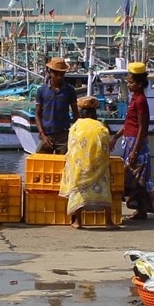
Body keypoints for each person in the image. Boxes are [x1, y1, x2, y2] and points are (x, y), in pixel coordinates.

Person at [58, 96, 118, 229]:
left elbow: (72, 148)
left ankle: (78, 221)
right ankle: (108, 221)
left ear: (81, 112)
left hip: (80, 169)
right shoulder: (101, 126)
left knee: (78, 189)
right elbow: (105, 146)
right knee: (105, 185)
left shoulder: (76, 126)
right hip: (99, 167)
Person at [111, 62, 154, 220]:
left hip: (136, 144)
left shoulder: (140, 101)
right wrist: (116, 137)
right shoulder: (134, 99)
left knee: (137, 178)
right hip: (129, 142)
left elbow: (142, 128)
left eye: (130, 82)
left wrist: (135, 151)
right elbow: (128, 124)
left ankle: (143, 209)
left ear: (139, 83)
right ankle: (140, 209)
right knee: (132, 177)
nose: (128, 85)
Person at [34, 56, 78, 154]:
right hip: (46, 134)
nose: (59, 77)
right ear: (50, 72)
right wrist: (42, 135)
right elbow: (37, 114)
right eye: (56, 74)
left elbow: (76, 114)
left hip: (64, 135)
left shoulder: (70, 90)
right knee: (39, 161)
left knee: (63, 164)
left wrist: (74, 133)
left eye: (62, 74)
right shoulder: (41, 90)